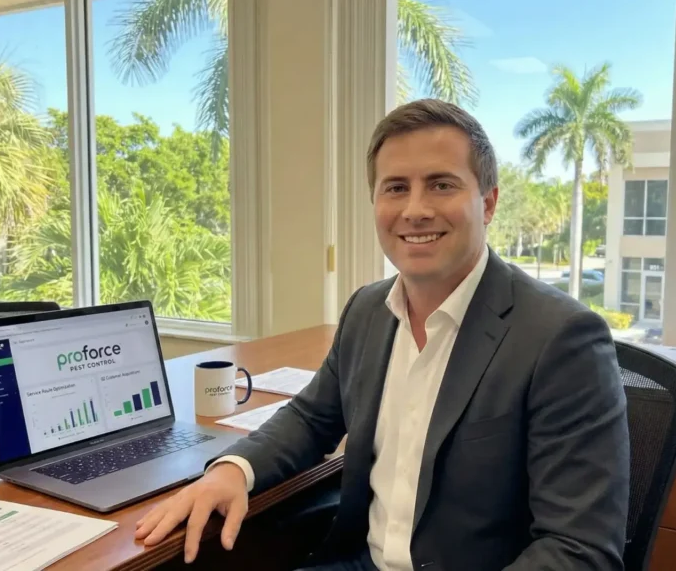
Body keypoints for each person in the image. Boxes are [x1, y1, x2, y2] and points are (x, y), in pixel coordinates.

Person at [135, 99, 630, 570]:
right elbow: (311, 418)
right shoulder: (368, 310)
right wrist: (232, 469)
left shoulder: (560, 338)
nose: (415, 209)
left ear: (489, 203)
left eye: (441, 185)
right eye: (395, 188)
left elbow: (578, 550)